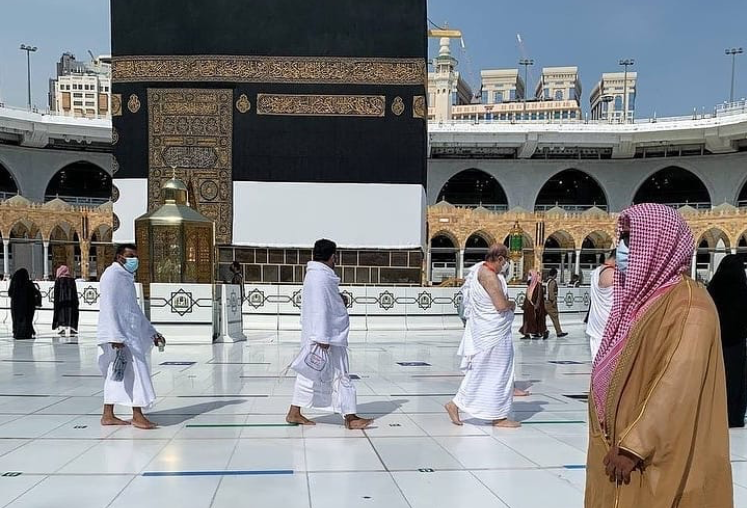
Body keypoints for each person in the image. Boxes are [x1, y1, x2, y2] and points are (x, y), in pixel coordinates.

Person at [586, 204, 732, 508]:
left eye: (631, 240)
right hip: (618, 450)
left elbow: (678, 385)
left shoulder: (690, 305)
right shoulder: (644, 299)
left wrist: (634, 445)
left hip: (653, 454)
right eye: (622, 239)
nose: (622, 249)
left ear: (657, 244)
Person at [286, 239, 373, 430]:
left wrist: (339, 299)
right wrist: (322, 337)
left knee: (310, 374)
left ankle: (294, 412)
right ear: (333, 256)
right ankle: (350, 417)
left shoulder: (316, 275)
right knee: (340, 375)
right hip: (325, 336)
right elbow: (320, 308)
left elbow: (326, 303)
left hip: (324, 334)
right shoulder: (320, 277)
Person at [445, 244, 521, 428]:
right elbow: (500, 305)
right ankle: (495, 416)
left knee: (484, 371)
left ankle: (467, 407)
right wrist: (512, 304)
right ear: (500, 259)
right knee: (497, 372)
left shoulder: (481, 270)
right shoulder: (490, 276)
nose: (506, 264)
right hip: (493, 334)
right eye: (506, 260)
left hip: (488, 332)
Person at [98, 244, 165, 430]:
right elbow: (108, 307)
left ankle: (107, 415)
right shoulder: (112, 276)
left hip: (129, 334)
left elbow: (133, 310)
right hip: (119, 336)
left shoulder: (125, 278)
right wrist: (115, 335)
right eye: (130, 255)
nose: (134, 260)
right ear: (120, 257)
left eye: (135, 256)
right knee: (136, 373)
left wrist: (151, 332)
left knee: (117, 374)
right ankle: (137, 415)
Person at [708, 254, 747, 428]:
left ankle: (715, 416)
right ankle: (735, 416)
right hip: (736, 344)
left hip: (716, 343)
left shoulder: (713, 290)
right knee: (736, 381)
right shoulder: (742, 291)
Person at [585, 251, 615, 360]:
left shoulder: (595, 272)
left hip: (595, 323)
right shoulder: (613, 274)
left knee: (597, 360)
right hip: (610, 323)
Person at [9, 268, 42, 340]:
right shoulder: (29, 284)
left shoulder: (14, 284)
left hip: (16, 306)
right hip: (28, 306)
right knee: (27, 320)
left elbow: (10, 293)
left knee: (17, 319)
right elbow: (35, 294)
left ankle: (17, 332)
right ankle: (27, 332)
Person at [519, 269, 548, 340]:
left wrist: (537, 305)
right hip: (528, 306)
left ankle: (541, 332)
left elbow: (539, 296)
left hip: (534, 306)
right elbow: (528, 296)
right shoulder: (531, 285)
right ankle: (527, 333)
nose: (529, 276)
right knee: (527, 320)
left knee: (535, 320)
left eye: (530, 275)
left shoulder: (538, 285)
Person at [52, 265, 80, 337]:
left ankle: (61, 328)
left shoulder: (58, 281)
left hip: (61, 303)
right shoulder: (72, 281)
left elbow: (56, 294)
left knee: (61, 315)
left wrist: (56, 303)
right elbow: (75, 293)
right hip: (71, 303)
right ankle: (72, 328)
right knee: (71, 315)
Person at [545, 268, 568, 338]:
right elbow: (551, 292)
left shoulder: (545, 281)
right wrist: (553, 301)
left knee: (542, 318)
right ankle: (559, 332)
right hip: (550, 302)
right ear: (555, 274)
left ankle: (542, 331)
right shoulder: (552, 282)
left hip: (544, 301)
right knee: (555, 317)